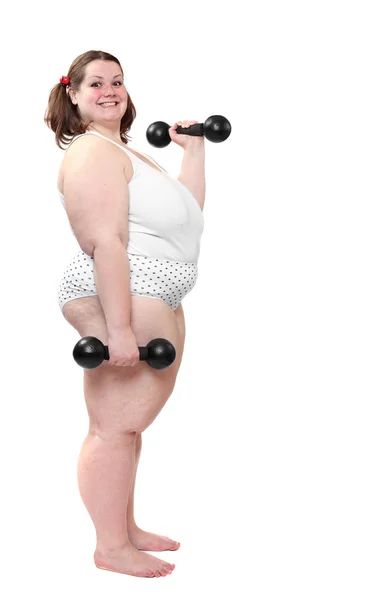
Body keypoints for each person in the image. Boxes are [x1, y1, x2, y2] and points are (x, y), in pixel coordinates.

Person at [44, 50, 205, 578]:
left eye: (117, 81)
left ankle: (125, 527)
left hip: (152, 290)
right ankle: (110, 547)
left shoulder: (126, 151)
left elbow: (187, 217)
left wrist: (194, 152)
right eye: (96, 83)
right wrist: (117, 331)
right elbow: (106, 244)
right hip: (121, 291)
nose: (110, 90)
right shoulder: (92, 152)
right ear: (73, 93)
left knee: (130, 426)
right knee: (114, 426)